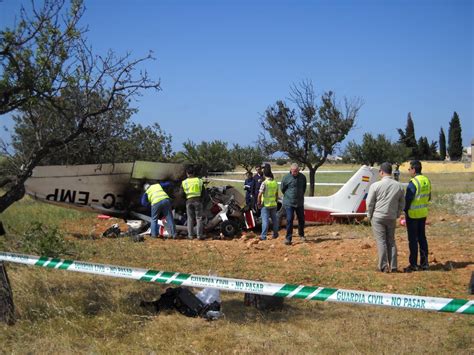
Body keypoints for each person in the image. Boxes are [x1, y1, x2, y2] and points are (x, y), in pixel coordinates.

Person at [366, 162, 405, 273]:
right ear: (391, 172)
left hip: (378, 217)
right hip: (391, 217)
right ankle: (393, 266)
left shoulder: (375, 185)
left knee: (381, 241)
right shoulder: (399, 186)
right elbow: (402, 203)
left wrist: (369, 215)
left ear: (381, 172)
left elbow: (369, 202)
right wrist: (397, 213)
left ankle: (383, 266)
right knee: (391, 241)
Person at [404, 160, 432, 272]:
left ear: (414, 170)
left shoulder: (413, 182)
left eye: (409, 169)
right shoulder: (426, 180)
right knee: (422, 238)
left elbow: (408, 199)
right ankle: (424, 263)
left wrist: (405, 210)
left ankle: (413, 264)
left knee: (413, 240)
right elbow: (429, 197)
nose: (409, 171)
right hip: (423, 214)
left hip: (413, 215)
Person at [280, 163, 307, 245]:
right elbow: (282, 189)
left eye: (296, 171)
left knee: (301, 219)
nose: (295, 172)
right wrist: (289, 196)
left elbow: (304, 188)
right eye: (293, 171)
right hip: (289, 202)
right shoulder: (286, 178)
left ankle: (301, 234)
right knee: (289, 219)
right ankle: (288, 238)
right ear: (291, 170)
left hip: (299, 202)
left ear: (298, 170)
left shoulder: (302, 177)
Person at [182, 166, 205, 240]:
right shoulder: (199, 180)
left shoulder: (184, 182)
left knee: (190, 218)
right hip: (198, 200)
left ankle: (190, 236)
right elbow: (203, 192)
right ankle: (199, 236)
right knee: (199, 218)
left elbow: (182, 194)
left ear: (187, 173)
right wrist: (201, 199)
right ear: (194, 173)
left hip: (189, 201)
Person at [257, 170, 279, 240]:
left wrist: (258, 203)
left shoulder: (264, 183)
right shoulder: (275, 182)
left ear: (264, 175)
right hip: (273, 204)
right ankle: (275, 234)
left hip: (265, 205)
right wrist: (275, 202)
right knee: (275, 220)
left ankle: (263, 236)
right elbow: (276, 194)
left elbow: (259, 195)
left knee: (265, 221)